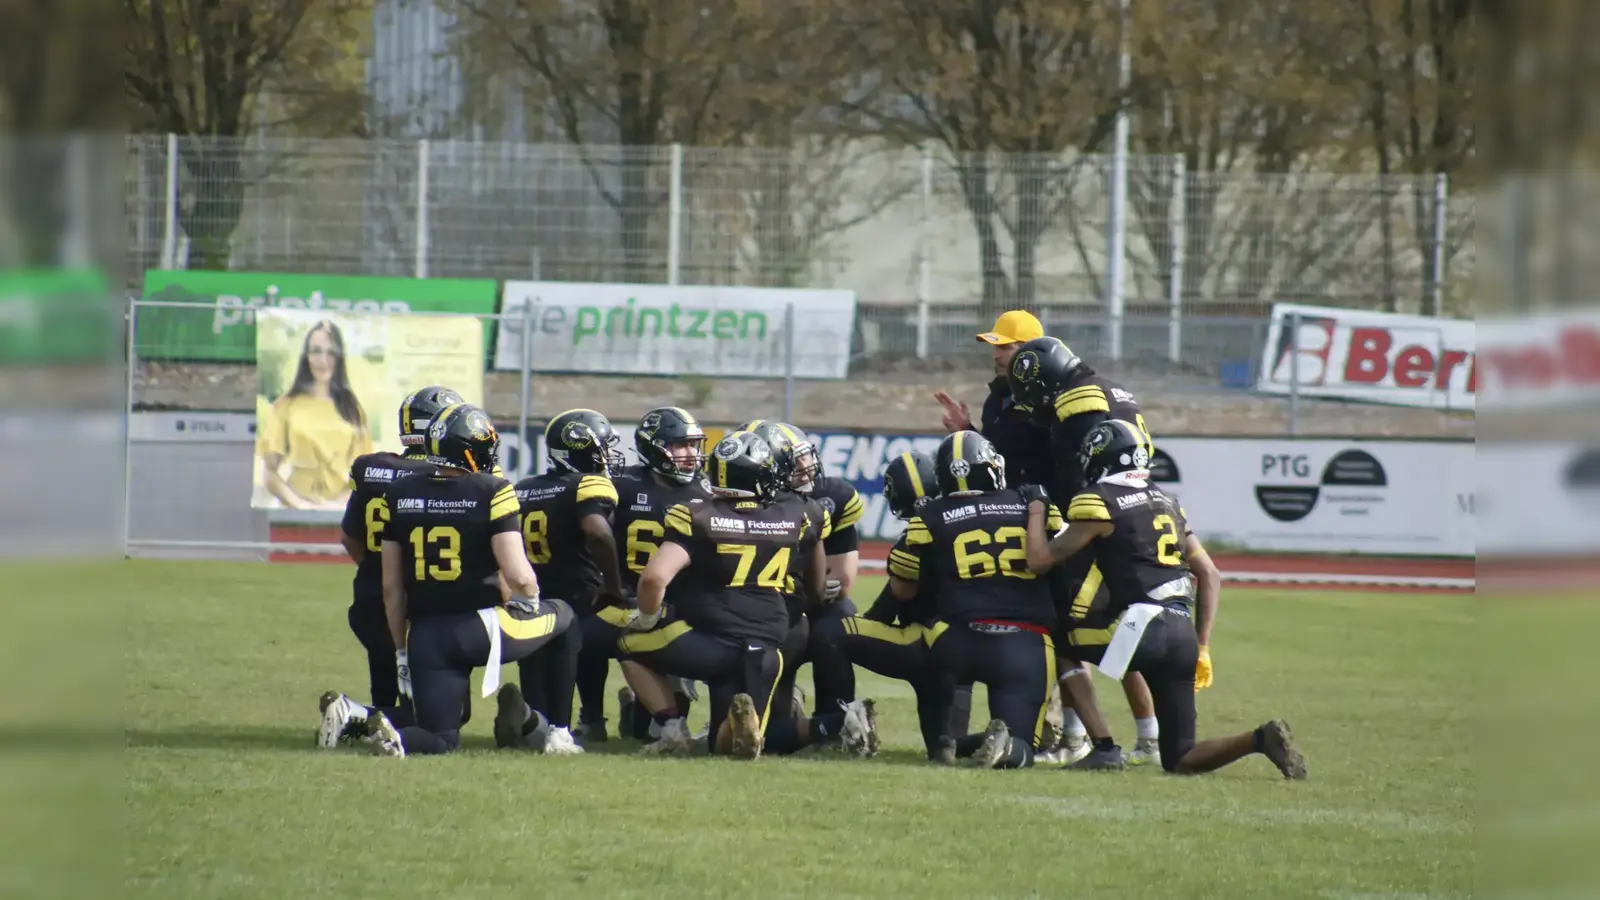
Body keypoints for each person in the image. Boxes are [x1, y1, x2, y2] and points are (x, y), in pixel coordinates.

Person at [1023, 419, 1307, 779]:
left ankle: (1104, 747)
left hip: (1143, 627)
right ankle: (1258, 739)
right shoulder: (1167, 501)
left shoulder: (1098, 500)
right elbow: (1210, 574)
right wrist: (1203, 646)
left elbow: (1040, 560)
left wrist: (1035, 510)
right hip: (1182, 633)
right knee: (1180, 757)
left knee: (1061, 644)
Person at [616, 431, 873, 759]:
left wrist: (649, 617)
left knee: (628, 642)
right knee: (751, 735)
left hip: (710, 642)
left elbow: (653, 579)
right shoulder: (800, 515)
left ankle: (670, 727)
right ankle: (838, 722)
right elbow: (816, 589)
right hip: (769, 645)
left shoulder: (696, 515)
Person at [363, 403, 577, 758]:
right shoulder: (492, 489)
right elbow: (519, 574)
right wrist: (532, 600)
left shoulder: (398, 493)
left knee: (441, 739)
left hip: (427, 636)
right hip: (481, 628)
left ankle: (395, 740)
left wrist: (401, 650)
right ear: (471, 448)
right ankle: (556, 730)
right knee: (564, 618)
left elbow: (391, 589)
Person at [1007, 333, 1166, 767]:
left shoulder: (1075, 400)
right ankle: (1148, 737)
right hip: (1140, 512)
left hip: (1100, 522)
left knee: (1065, 633)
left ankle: (1085, 739)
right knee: (1121, 631)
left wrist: (1063, 521)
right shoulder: (1113, 388)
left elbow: (1079, 471)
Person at [894, 430, 1065, 770]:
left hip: (959, 639)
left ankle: (945, 741)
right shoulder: (1027, 501)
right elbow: (1064, 559)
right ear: (991, 468)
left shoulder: (929, 516)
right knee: (1023, 749)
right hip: (1024, 641)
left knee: (934, 644)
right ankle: (1007, 747)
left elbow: (905, 587)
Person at [317, 385, 463, 748]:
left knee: (387, 691)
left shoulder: (372, 468)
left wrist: (378, 570)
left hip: (368, 597)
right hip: (421, 604)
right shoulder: (447, 477)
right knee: (445, 716)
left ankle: (355, 719)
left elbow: (350, 538)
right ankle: (355, 716)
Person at [809, 451, 955, 761]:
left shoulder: (918, 532)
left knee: (830, 630)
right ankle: (1010, 740)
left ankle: (835, 728)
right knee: (943, 747)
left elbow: (899, 593)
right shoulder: (964, 520)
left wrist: (872, 620)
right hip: (984, 638)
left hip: (928, 642)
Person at [501, 408, 628, 755]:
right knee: (621, 638)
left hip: (533, 599)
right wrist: (613, 584)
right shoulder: (588, 484)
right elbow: (596, 531)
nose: (608, 455)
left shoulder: (521, 489)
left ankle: (531, 721)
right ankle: (625, 717)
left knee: (537, 655)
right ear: (580, 448)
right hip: (580, 596)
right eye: (602, 447)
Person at [607, 407, 711, 742]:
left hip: (683, 603)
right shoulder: (620, 487)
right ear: (655, 446)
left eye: (695, 445)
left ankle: (642, 711)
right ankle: (590, 715)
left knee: (646, 731)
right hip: (627, 598)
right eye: (681, 445)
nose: (691, 454)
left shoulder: (709, 492)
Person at [931, 310, 1053, 489]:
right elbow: (995, 459)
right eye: (996, 348)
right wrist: (966, 430)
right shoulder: (996, 400)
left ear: (1030, 351)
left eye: (1005, 348)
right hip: (1005, 507)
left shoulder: (1049, 398)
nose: (996, 356)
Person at [258, 319, 372, 509]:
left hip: (341, 515)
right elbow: (269, 473)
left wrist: (336, 506)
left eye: (331, 352)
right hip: (294, 513)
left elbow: (365, 477)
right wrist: (299, 505)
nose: (323, 360)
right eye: (316, 351)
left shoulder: (353, 410)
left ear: (339, 358)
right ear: (306, 356)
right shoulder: (285, 406)